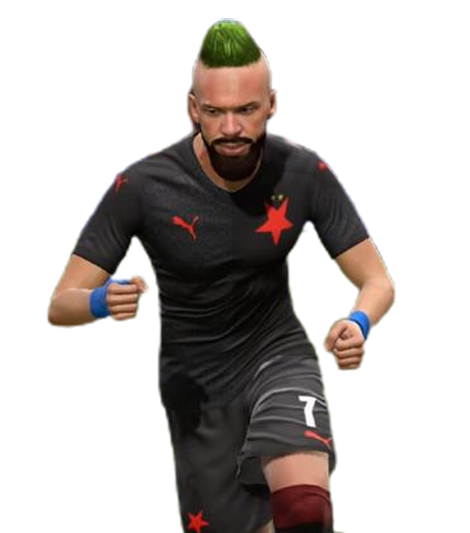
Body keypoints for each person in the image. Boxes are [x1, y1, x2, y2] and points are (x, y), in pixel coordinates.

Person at [47, 21, 396, 533]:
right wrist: (100, 301)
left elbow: (379, 281)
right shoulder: (142, 187)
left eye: (246, 110)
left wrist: (359, 323)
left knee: (305, 512)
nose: (231, 127)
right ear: (194, 110)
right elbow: (59, 306)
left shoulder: (305, 174)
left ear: (272, 104)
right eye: (215, 112)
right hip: (197, 392)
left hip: (278, 357)